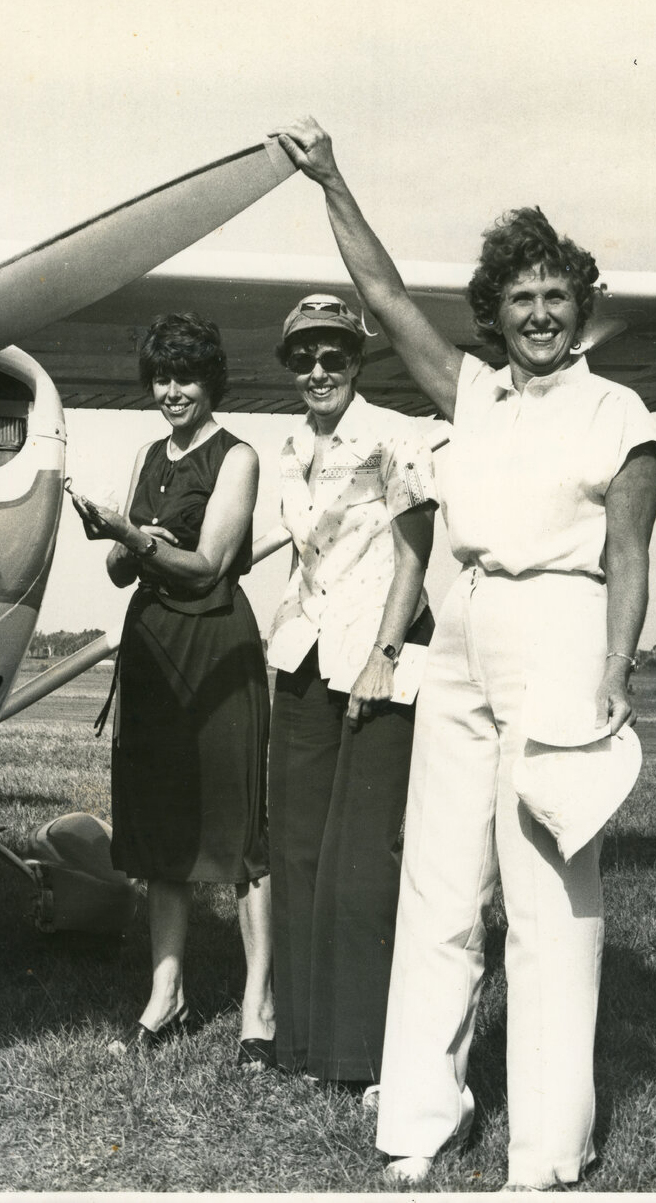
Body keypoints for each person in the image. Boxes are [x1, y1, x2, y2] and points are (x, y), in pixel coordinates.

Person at [271, 117, 656, 1188]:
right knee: (439, 888)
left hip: (561, 632)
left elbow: (629, 555)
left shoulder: (619, 414)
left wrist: (616, 668)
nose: (538, 313)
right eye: (519, 297)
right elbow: (385, 297)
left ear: (582, 305)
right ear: (495, 311)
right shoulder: (473, 393)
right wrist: (331, 179)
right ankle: (418, 1120)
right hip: (463, 629)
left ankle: (546, 1151)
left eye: (556, 295)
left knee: (548, 900)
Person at [70, 312, 275, 1068]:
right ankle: (167, 993)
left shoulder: (237, 456)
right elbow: (120, 572)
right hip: (153, 646)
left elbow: (209, 566)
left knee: (237, 827)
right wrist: (115, 538)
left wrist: (134, 536)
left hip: (215, 644)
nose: (171, 391)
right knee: (160, 826)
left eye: (185, 376)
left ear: (209, 381)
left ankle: (259, 1006)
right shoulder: (147, 454)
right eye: (160, 377)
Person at [264, 293, 438, 1089]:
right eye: (303, 357)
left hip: (377, 654)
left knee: (360, 857)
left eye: (333, 354)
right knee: (297, 849)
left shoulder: (396, 436)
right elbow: (305, 557)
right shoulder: (289, 447)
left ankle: (361, 1053)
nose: (318, 370)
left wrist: (384, 655)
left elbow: (413, 556)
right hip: (303, 656)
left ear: (358, 359)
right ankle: (302, 1045)